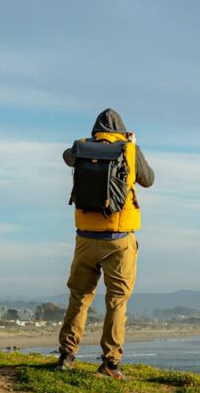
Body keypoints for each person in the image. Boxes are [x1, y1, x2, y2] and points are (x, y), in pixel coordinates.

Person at [56, 108, 155, 379]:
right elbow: (148, 180)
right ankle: (110, 364)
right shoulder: (129, 150)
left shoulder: (81, 148)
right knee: (117, 301)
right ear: (121, 129)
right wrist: (132, 144)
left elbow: (66, 157)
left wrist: (86, 145)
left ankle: (66, 355)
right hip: (119, 239)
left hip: (86, 238)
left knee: (79, 297)